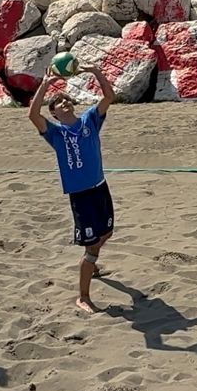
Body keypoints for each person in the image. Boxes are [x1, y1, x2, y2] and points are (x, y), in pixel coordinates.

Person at [28, 62, 116, 313]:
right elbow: (33, 115)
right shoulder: (56, 133)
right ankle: (84, 297)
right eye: (58, 104)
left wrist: (95, 71)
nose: (64, 104)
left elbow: (109, 97)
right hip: (81, 195)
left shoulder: (89, 120)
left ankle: (93, 261)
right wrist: (45, 85)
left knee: (107, 233)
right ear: (54, 113)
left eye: (67, 101)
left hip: (100, 187)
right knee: (91, 249)